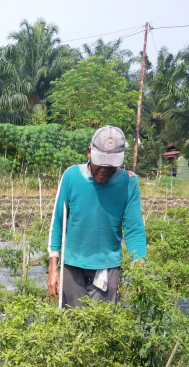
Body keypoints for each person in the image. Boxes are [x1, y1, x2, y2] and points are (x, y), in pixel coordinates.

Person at [47, 125, 146, 307]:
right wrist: (53, 266)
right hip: (72, 265)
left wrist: (139, 265)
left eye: (111, 165)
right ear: (89, 152)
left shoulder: (129, 182)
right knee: (71, 325)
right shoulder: (71, 176)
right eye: (101, 162)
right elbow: (58, 223)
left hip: (107, 267)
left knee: (102, 327)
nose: (105, 169)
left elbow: (134, 229)